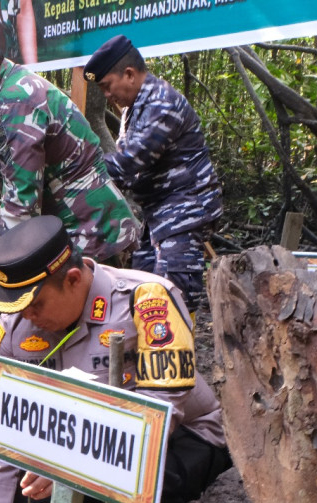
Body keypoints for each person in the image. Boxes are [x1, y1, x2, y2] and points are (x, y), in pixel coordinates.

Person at [0, 215, 231, 503]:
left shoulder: (146, 299)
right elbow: (4, 419)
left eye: (34, 305)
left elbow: (162, 412)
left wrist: (75, 465)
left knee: (149, 475)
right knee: (12, 500)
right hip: (75, 441)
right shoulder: (17, 323)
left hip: (182, 435)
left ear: (72, 279)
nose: (25, 317)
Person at [0, 18, 140, 311]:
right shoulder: (15, 86)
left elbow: (23, 204)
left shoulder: (16, 102)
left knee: (92, 334)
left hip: (91, 233)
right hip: (89, 225)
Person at [84, 35, 223, 317]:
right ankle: (150, 358)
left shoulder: (162, 103)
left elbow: (127, 162)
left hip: (184, 211)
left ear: (129, 74)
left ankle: (180, 358)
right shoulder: (132, 110)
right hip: (158, 214)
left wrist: (77, 164)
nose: (107, 95)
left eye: (107, 87)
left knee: (173, 295)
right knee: (144, 290)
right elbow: (123, 176)